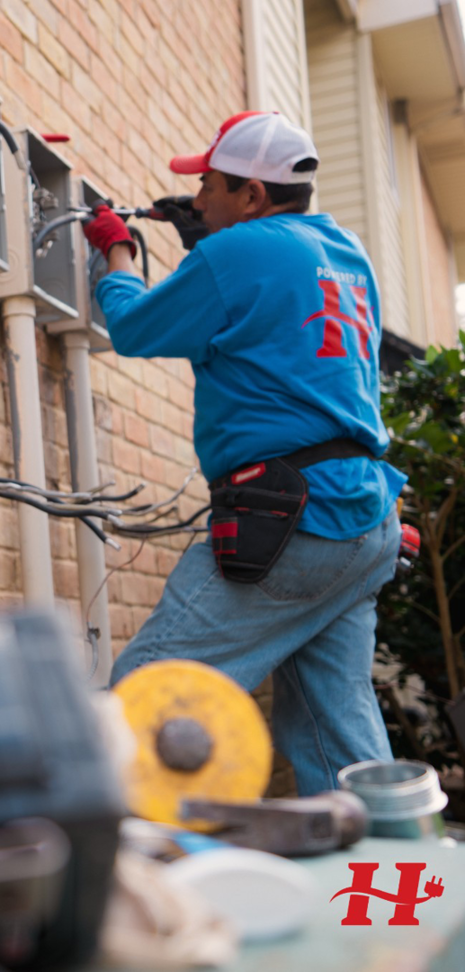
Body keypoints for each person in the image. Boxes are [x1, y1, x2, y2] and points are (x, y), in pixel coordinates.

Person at [83, 111, 406, 797]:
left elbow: (136, 329)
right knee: (334, 731)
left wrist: (117, 254)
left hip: (288, 522)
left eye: (208, 185)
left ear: (253, 196)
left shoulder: (236, 255)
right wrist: (204, 237)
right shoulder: (346, 254)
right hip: (363, 519)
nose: (197, 200)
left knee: (144, 696)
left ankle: (128, 880)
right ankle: (392, 888)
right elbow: (284, 329)